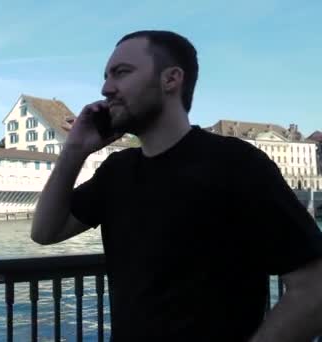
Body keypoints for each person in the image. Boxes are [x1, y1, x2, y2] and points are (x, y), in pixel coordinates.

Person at [30, 30, 322, 341]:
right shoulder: (117, 171)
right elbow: (45, 231)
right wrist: (75, 150)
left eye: (121, 73)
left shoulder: (236, 164)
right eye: (105, 76)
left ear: (171, 79)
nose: (106, 88)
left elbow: (314, 286)